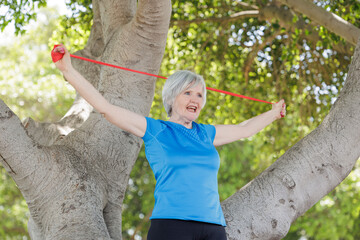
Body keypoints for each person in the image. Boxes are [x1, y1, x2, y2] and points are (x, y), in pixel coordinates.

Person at [53, 44, 286, 240]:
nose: (195, 99)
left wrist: (274, 114)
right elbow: (106, 109)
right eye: (188, 93)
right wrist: (68, 70)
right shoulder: (156, 130)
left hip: (213, 227)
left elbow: (245, 129)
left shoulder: (206, 133)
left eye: (199, 95)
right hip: (172, 226)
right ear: (171, 97)